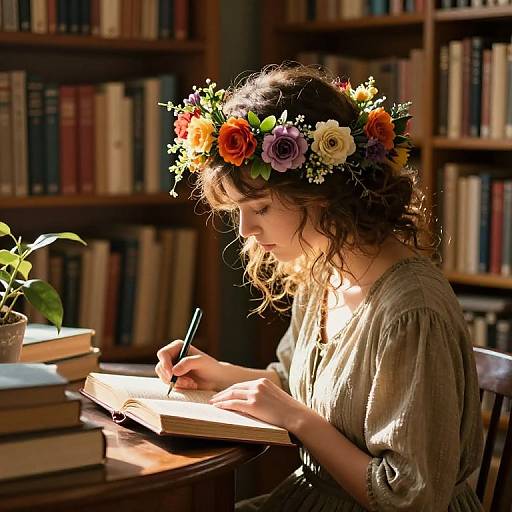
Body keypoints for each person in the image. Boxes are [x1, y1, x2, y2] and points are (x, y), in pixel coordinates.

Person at [155, 65, 484, 511]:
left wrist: (296, 420)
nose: (247, 229)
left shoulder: (411, 312)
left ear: (321, 191)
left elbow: (411, 497)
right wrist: (219, 373)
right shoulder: (323, 270)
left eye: (261, 207)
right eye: (237, 211)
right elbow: (298, 387)